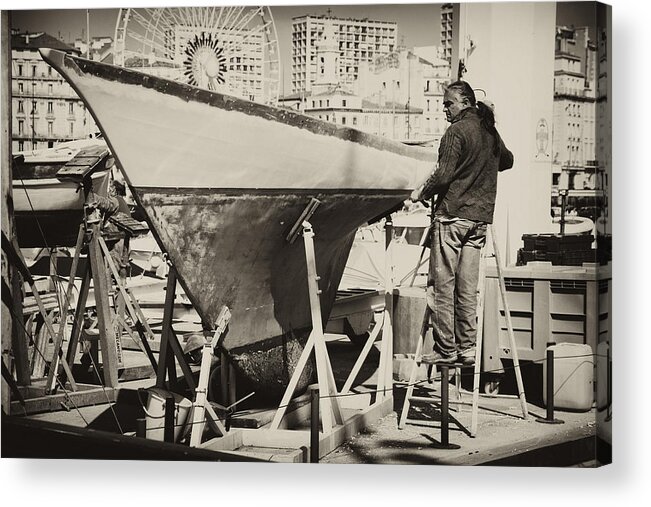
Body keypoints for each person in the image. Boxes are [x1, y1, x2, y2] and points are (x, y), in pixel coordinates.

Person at [410, 81, 514, 365]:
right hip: (479, 219)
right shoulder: (488, 130)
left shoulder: (455, 131)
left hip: (452, 215)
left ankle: (445, 349)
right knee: (467, 287)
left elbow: (443, 176)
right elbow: (507, 161)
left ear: (465, 102)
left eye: (449, 103)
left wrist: (421, 191)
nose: (445, 109)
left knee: (442, 285)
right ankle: (467, 347)